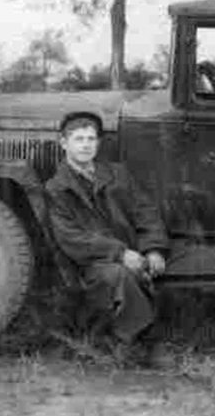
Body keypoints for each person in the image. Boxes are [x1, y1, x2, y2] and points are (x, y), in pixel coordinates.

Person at [45, 111, 169, 364]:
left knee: (170, 265)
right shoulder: (56, 188)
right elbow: (72, 239)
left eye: (91, 139)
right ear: (64, 143)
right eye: (78, 139)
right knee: (118, 276)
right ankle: (131, 344)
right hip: (91, 261)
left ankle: (127, 339)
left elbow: (145, 211)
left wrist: (154, 248)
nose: (86, 145)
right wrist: (120, 253)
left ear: (98, 144)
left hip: (133, 252)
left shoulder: (117, 174)